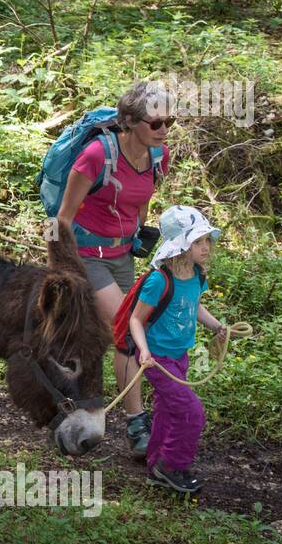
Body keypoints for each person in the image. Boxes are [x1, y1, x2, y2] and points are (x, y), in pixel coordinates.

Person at [57, 81, 172, 458]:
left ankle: (119, 414)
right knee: (125, 327)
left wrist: (141, 232)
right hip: (86, 255)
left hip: (123, 255)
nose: (165, 129)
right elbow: (62, 218)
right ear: (130, 122)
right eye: (156, 123)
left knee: (124, 335)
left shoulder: (159, 157)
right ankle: (137, 423)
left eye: (170, 120)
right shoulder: (95, 155)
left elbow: (140, 200)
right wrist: (60, 268)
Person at [127, 206, 226, 494]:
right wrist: (143, 351)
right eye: (198, 242)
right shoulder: (160, 279)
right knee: (190, 412)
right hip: (156, 359)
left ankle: (156, 463)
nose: (205, 247)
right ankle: (172, 465)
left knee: (167, 409)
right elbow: (136, 318)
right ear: (181, 245)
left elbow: (194, 306)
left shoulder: (196, 275)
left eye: (207, 240)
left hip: (179, 356)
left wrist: (216, 326)